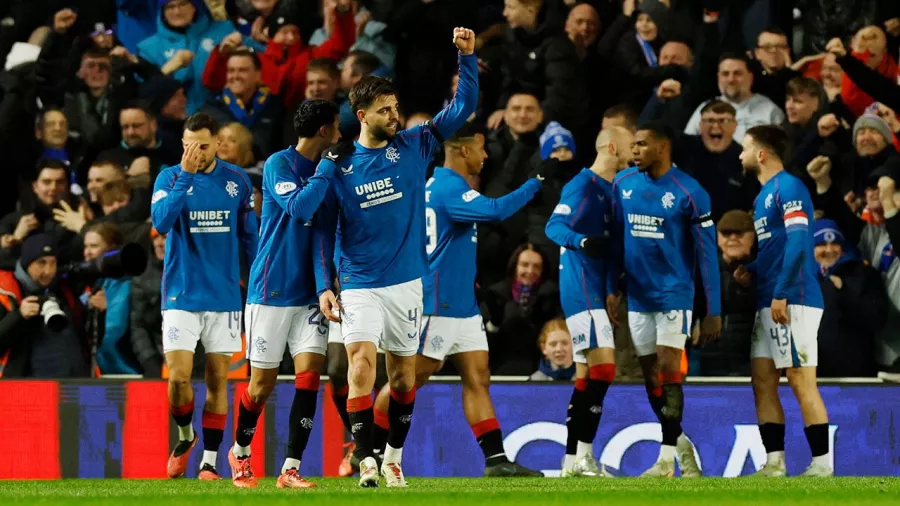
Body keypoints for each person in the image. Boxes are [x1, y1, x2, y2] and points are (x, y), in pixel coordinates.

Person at [316, 27, 478, 488]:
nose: (395, 115)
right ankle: (365, 459)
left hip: (407, 282)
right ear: (362, 115)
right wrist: (326, 284)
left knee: (403, 381)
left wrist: (466, 59)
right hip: (359, 282)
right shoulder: (340, 165)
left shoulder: (415, 145)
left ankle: (393, 457)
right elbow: (324, 230)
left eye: (396, 108)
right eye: (385, 110)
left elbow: (461, 108)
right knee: (360, 365)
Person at [370, 122, 548, 477]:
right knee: (410, 380)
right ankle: (368, 452)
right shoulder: (449, 188)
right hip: (438, 304)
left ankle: (496, 460)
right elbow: (496, 210)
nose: (485, 157)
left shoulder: (441, 186)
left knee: (478, 376)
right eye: (482, 149)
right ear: (464, 150)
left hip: (462, 306)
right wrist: (536, 182)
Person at [227, 99, 343, 489]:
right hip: (270, 290)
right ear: (325, 131)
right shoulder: (279, 164)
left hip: (309, 295)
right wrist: (328, 165)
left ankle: (290, 468)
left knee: (310, 377)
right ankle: (240, 453)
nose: (341, 135)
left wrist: (324, 284)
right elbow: (299, 207)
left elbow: (323, 233)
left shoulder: (330, 172)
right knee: (260, 385)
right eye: (337, 127)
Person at [150, 112, 259, 480]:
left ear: (217, 143)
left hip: (225, 297)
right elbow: (161, 223)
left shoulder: (237, 181)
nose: (192, 152)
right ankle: (186, 436)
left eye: (199, 145)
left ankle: (209, 461)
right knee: (178, 379)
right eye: (186, 145)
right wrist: (185, 177)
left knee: (217, 380)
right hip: (181, 295)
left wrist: (256, 280)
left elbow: (250, 240)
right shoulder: (169, 177)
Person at [610, 121, 721, 477]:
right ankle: (682, 446)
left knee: (669, 369)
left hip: (674, 293)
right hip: (638, 296)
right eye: (633, 145)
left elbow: (707, 256)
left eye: (641, 144)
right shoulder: (622, 184)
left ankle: (664, 460)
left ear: (662, 147)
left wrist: (713, 310)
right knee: (651, 378)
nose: (634, 151)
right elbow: (616, 239)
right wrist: (613, 286)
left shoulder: (690, 192)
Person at [735, 125, 832, 477]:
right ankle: (774, 462)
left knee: (799, 377)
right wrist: (753, 268)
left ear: (761, 154)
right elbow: (776, 249)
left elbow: (799, 243)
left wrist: (782, 292)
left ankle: (822, 465)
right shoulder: (762, 197)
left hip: (794, 299)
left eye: (745, 148)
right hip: (769, 299)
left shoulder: (789, 187)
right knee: (762, 379)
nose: (740, 155)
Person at [546, 126, 633, 478]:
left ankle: (571, 462)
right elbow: (554, 226)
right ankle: (585, 457)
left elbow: (611, 250)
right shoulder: (583, 185)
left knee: (585, 376)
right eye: (631, 142)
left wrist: (612, 288)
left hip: (598, 289)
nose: (636, 146)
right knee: (603, 370)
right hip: (581, 287)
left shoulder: (612, 192)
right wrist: (581, 242)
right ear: (613, 147)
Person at [0, 234, 89, 378]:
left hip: (71, 386)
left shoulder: (64, 290)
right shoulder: (5, 292)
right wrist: (18, 316)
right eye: (41, 263)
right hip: (26, 390)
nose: (48, 271)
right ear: (27, 263)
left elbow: (83, 337)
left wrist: (97, 310)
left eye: (53, 263)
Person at [813, 219, 888, 377]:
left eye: (835, 244)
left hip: (854, 375)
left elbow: (876, 319)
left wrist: (844, 292)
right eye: (821, 244)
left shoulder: (863, 274)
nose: (829, 250)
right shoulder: (797, 278)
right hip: (811, 376)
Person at [82, 222, 140, 376]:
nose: (87, 252)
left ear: (112, 250)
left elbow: (116, 332)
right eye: (85, 246)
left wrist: (105, 310)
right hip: (102, 371)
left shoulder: (127, 284)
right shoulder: (98, 283)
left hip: (128, 371)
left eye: (93, 246)